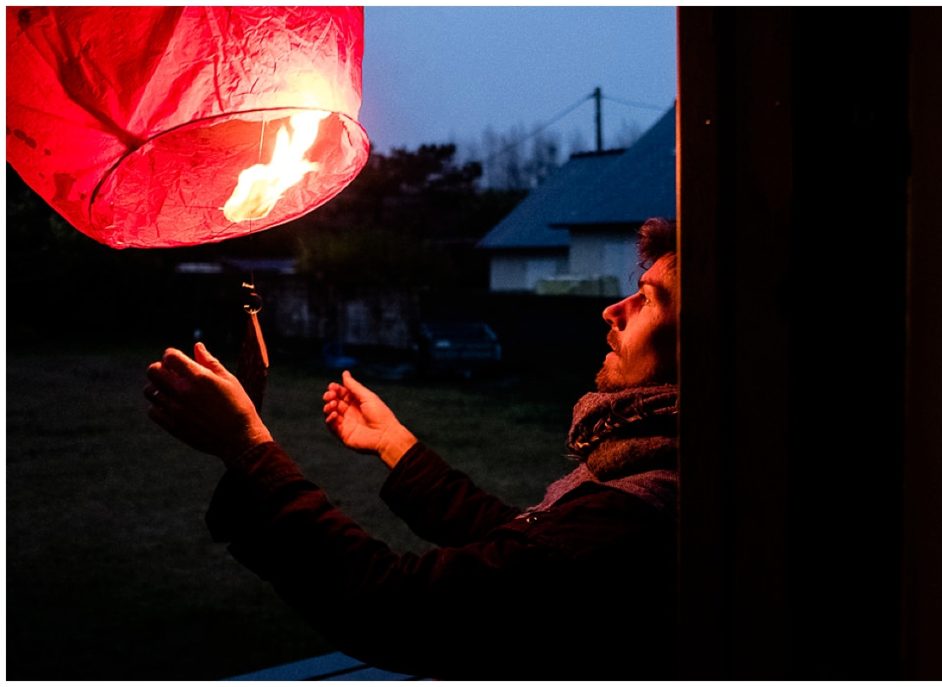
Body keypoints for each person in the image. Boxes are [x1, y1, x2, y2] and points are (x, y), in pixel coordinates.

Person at [145, 217, 680, 679]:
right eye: (635, 286)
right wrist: (396, 445)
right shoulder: (648, 462)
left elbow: (402, 608)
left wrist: (250, 451)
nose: (614, 308)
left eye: (650, 299)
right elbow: (522, 551)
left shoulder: (645, 511)